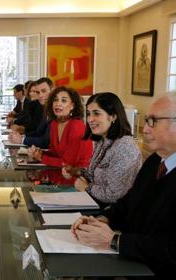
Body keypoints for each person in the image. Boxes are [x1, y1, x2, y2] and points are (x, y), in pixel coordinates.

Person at [71, 94, 176, 277]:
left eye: (153, 121)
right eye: (146, 120)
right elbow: (128, 204)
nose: (146, 129)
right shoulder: (154, 162)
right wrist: (101, 220)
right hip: (134, 264)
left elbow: (169, 250)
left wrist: (114, 240)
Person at [62, 92, 142, 206]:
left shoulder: (125, 147)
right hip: (96, 204)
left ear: (113, 116)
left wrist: (86, 187)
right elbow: (94, 174)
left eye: (96, 114)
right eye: (88, 114)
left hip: (112, 214)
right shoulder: (102, 140)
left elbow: (115, 195)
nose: (90, 119)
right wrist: (76, 171)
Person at [28, 86, 92, 167]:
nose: (58, 104)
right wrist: (39, 152)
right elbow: (55, 153)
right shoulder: (54, 124)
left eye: (64, 100)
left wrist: (41, 157)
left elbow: (67, 163)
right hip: (58, 171)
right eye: (55, 100)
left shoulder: (77, 126)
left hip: (77, 175)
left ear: (72, 106)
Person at [9, 77, 53, 148]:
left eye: (44, 91)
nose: (40, 95)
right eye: (38, 92)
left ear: (52, 90)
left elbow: (46, 141)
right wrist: (22, 136)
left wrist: (22, 139)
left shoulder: (56, 111)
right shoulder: (47, 109)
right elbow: (38, 132)